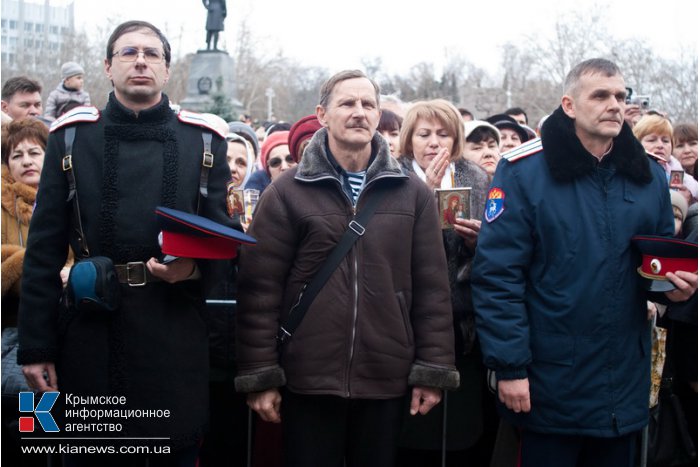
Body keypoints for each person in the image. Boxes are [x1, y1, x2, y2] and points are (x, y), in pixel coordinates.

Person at [17, 20, 235, 466]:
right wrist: (36, 347)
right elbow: (42, 254)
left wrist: (192, 269)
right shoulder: (70, 136)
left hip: (173, 334)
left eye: (152, 54)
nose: (141, 61)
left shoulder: (203, 139)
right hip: (90, 334)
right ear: (107, 67)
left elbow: (226, 248)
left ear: (167, 70)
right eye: (128, 52)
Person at [471, 58, 698, 467]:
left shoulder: (648, 174)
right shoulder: (523, 171)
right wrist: (510, 368)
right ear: (569, 105)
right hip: (549, 382)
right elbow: (498, 278)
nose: (614, 104)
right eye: (600, 95)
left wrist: (677, 290)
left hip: (622, 383)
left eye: (620, 96)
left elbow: (656, 268)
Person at [234, 70, 459, 467]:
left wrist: (432, 369)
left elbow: (433, 291)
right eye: (347, 103)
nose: (359, 113)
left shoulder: (414, 194)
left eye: (368, 104)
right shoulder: (287, 193)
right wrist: (260, 373)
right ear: (322, 114)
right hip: (307, 377)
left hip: (385, 376)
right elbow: (259, 290)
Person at [395, 99, 492, 466]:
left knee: (459, 436)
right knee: (409, 437)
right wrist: (424, 196)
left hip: (462, 327)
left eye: (443, 134)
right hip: (405, 323)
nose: (434, 143)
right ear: (409, 139)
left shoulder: (477, 179)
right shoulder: (390, 176)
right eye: (424, 134)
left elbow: (499, 253)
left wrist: (477, 243)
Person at [1, 118, 65, 467]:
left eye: (34, 153)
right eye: (16, 155)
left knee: (53, 431)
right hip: (14, 336)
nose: (26, 161)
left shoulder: (72, 199)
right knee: (27, 431)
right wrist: (35, 262)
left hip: (66, 333)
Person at [633, 114, 698, 203]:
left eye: (665, 141)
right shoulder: (627, 175)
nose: (660, 145)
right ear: (636, 143)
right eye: (652, 140)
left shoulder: (688, 181)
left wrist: (690, 201)